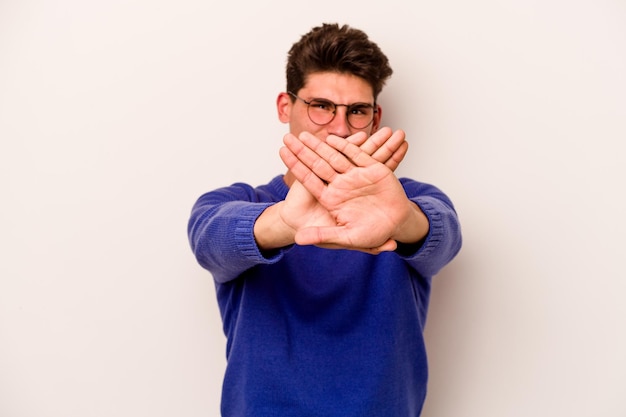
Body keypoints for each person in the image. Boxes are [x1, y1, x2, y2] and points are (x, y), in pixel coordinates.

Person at [188, 23, 462, 417]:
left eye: (357, 111)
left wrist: (403, 221)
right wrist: (285, 221)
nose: (339, 127)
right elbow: (209, 240)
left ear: (375, 116)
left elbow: (444, 236)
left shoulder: (411, 202)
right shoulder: (237, 202)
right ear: (286, 107)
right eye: (321, 106)